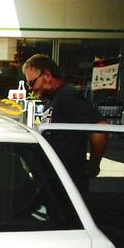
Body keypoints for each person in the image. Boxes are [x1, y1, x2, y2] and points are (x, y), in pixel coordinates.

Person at [22, 54, 108, 191]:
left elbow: (100, 127)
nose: (30, 88)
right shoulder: (54, 99)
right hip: (56, 180)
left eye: (32, 83)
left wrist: (93, 164)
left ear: (47, 75)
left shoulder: (68, 97)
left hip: (68, 182)